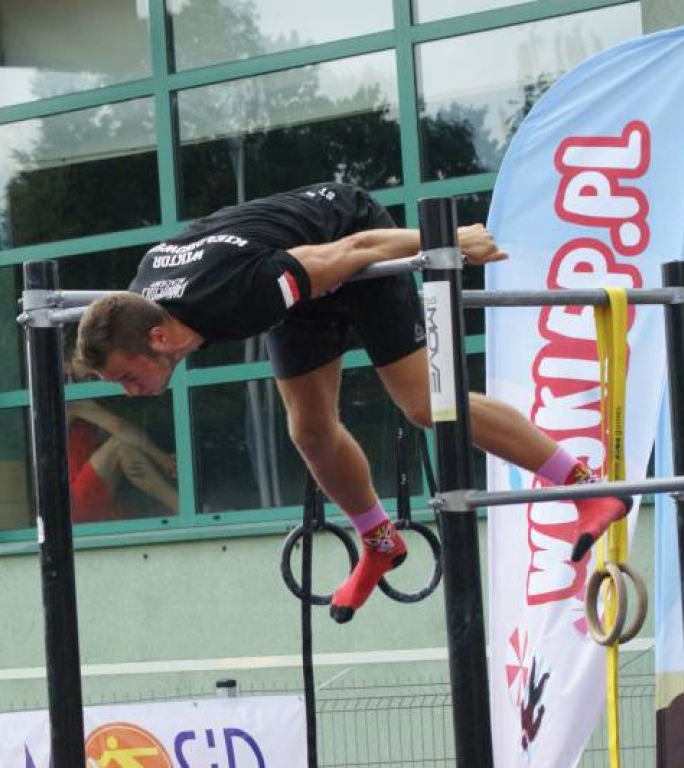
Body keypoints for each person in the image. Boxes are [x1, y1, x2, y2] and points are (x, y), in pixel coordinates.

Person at [73, 181, 630, 623]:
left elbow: (354, 250)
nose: (129, 391)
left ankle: (585, 487)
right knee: (309, 431)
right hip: (291, 276)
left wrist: (449, 240)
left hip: (349, 233)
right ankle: (380, 542)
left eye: (127, 376)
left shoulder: (238, 293)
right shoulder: (141, 304)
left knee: (423, 402)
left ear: (159, 338)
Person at [66, 398, 178, 523]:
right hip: (77, 500)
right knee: (120, 445)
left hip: (81, 504)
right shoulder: (73, 400)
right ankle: (180, 505)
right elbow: (118, 426)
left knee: (127, 444)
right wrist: (164, 460)